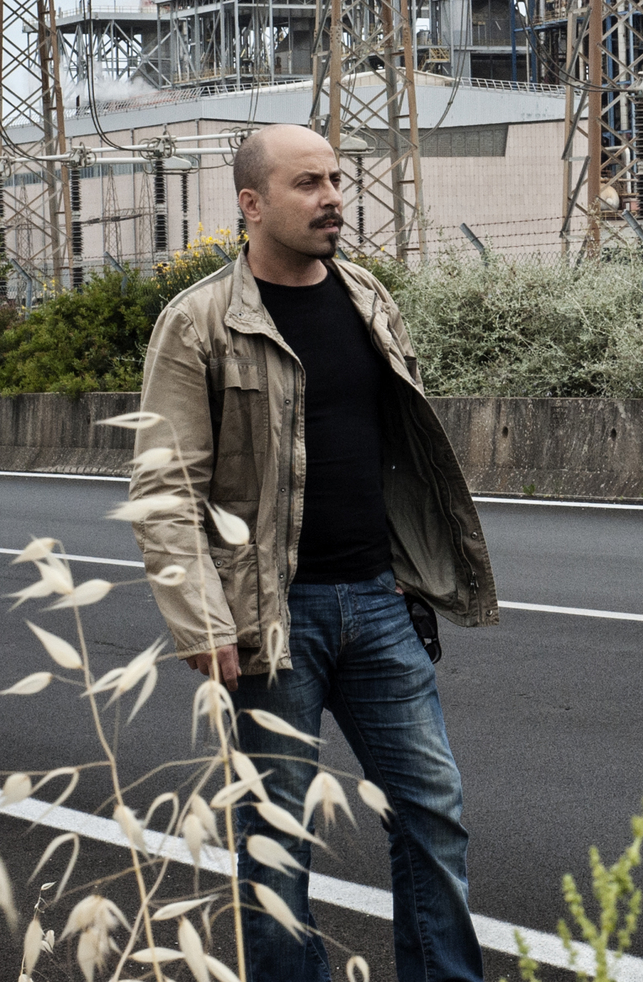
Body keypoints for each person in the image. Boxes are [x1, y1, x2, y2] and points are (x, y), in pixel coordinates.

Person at [126, 122, 497, 982]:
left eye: (336, 178)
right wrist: (201, 621)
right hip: (268, 621)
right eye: (308, 183)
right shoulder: (199, 324)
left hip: (377, 604)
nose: (334, 196)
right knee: (276, 838)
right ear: (251, 204)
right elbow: (163, 489)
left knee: (432, 814)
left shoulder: (367, 297)